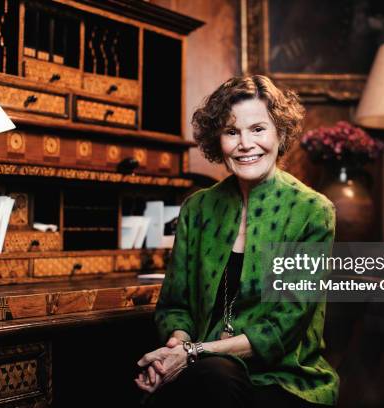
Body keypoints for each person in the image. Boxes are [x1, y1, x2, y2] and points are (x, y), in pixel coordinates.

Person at [135, 75, 338, 407]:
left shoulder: (312, 212)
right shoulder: (198, 208)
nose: (245, 144)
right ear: (219, 141)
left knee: (211, 379)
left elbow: (282, 327)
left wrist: (192, 353)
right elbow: (176, 306)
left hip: (283, 378)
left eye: (258, 129)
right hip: (206, 370)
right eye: (232, 132)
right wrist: (173, 350)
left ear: (280, 133)